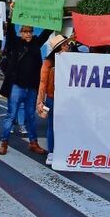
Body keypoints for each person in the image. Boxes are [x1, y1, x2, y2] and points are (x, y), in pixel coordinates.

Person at [0, 23, 49, 156]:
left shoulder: (36, 42)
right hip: (17, 86)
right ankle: (4, 142)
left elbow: (47, 32)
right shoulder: (15, 42)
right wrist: (12, 15)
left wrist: (55, 14)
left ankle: (33, 143)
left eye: (30, 31)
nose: (28, 34)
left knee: (31, 116)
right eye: (25, 32)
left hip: (32, 87)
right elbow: (9, 31)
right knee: (11, 115)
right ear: (20, 33)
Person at [37, 34, 72, 166]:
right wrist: (40, 101)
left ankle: (63, 152)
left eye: (67, 44)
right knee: (52, 126)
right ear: (57, 48)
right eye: (64, 45)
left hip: (68, 100)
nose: (67, 47)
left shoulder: (72, 59)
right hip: (53, 98)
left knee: (66, 126)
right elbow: (42, 82)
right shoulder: (48, 62)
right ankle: (51, 152)